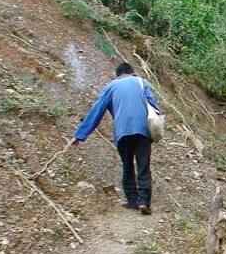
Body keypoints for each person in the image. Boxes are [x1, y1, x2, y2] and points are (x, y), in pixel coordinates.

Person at [66, 62, 160, 215]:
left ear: (118, 75)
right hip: (143, 130)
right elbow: (154, 107)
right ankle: (144, 202)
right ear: (132, 73)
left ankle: (132, 201)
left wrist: (80, 136)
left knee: (127, 165)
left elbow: (97, 111)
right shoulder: (142, 82)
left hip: (122, 131)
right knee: (143, 165)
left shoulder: (111, 87)